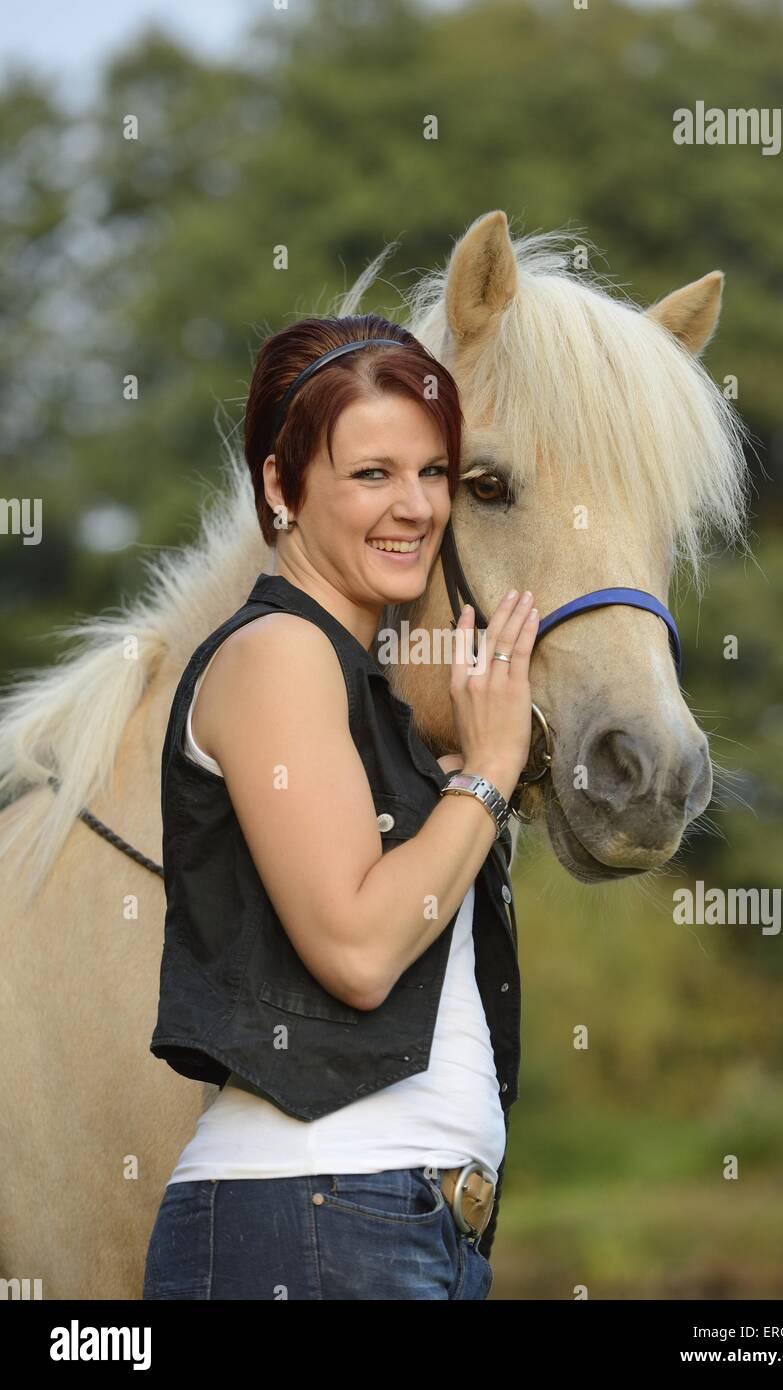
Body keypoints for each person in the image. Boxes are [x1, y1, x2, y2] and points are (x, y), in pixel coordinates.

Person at [144, 313, 538, 1300]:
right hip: (315, 1220)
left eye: (433, 472)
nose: (414, 507)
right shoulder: (277, 654)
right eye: (371, 474)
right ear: (280, 487)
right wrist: (485, 776)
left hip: (393, 1221)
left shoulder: (355, 687)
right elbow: (358, 951)